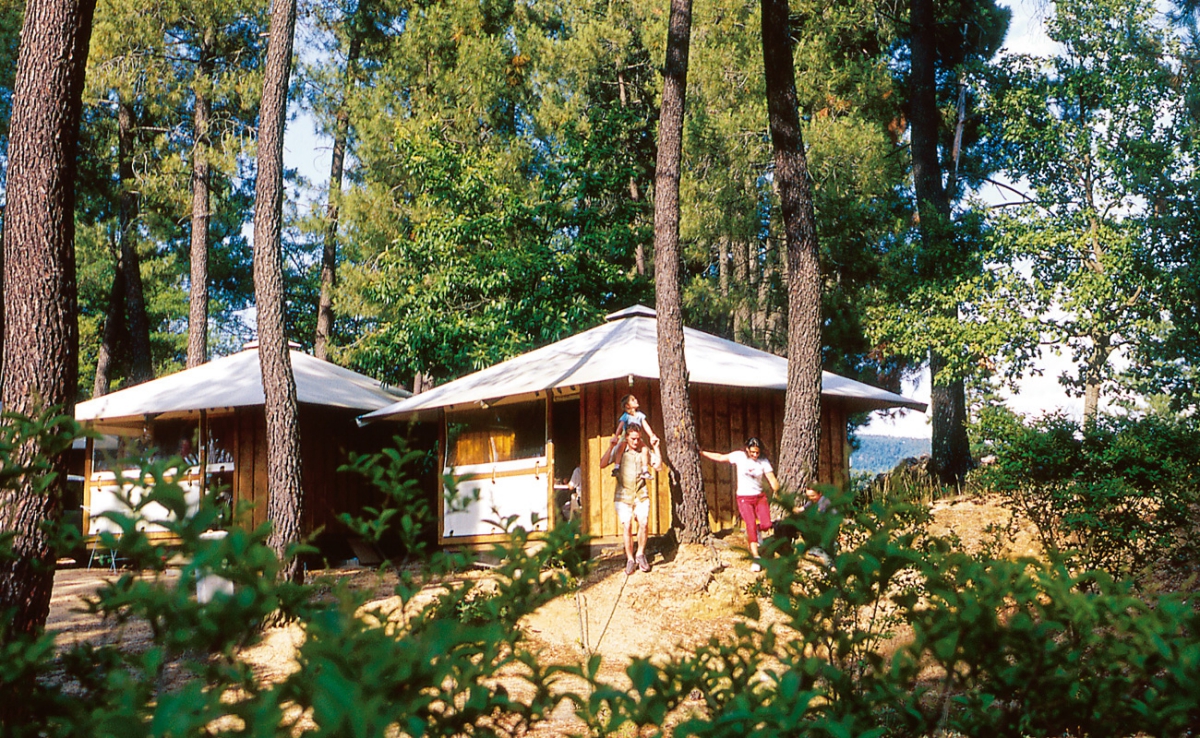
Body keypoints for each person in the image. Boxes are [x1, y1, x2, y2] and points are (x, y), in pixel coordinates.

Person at [701, 437, 779, 571]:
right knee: (750, 525)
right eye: (752, 452)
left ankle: (759, 531)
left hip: (760, 497)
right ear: (747, 449)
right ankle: (756, 558)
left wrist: (777, 491)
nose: (755, 455)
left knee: (767, 524)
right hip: (744, 498)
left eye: (757, 452)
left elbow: (772, 479)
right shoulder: (739, 456)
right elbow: (720, 457)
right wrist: (702, 453)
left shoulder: (763, 462)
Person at [600, 426, 654, 574]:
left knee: (643, 522)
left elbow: (659, 465)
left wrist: (656, 448)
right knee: (628, 525)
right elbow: (602, 463)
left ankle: (640, 554)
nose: (636, 442)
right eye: (633, 439)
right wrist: (611, 446)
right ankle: (630, 559)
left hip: (640, 493)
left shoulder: (644, 450)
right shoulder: (620, 451)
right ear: (627, 438)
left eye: (638, 438)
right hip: (623, 495)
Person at [611, 394, 661, 474]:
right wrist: (616, 436)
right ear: (627, 405)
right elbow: (620, 427)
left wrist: (651, 435)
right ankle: (617, 467)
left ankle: (645, 469)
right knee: (620, 448)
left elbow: (646, 426)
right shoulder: (626, 416)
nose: (636, 400)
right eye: (633, 400)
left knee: (644, 449)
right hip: (626, 435)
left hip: (637, 436)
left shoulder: (640, 415)